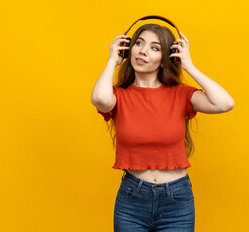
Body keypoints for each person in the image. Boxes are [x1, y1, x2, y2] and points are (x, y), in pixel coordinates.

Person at [91, 23, 234, 231]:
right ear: (127, 49)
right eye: (139, 43)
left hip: (176, 200)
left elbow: (225, 103)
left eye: (155, 48)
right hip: (132, 199)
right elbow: (100, 98)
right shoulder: (119, 96)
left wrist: (189, 66)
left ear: (168, 57)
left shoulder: (181, 94)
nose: (143, 51)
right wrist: (112, 60)